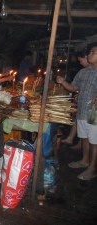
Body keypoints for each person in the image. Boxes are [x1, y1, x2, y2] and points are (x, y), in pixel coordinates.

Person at [56, 42, 97, 180]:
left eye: (93, 52)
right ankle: (84, 160)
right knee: (84, 138)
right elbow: (74, 88)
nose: (90, 54)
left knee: (94, 141)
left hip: (94, 112)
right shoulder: (84, 71)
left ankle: (92, 168)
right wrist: (62, 81)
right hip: (82, 110)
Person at [61, 50, 90, 150]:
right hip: (83, 108)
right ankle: (84, 156)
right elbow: (75, 87)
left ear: (87, 57)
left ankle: (89, 161)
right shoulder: (83, 71)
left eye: (81, 60)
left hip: (92, 110)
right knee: (84, 133)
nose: (80, 62)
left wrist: (63, 82)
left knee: (92, 139)